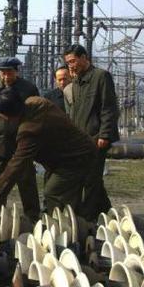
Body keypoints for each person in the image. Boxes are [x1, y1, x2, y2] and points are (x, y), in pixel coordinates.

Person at [0, 89, 98, 216]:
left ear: (10, 115)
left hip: (76, 159)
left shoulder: (29, 130)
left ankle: (62, 229)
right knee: (73, 196)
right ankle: (84, 223)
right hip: (77, 152)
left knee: (53, 192)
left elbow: (19, 161)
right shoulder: (35, 102)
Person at [63, 44, 120, 221]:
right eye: (68, 63)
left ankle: (86, 218)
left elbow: (108, 108)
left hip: (96, 138)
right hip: (80, 139)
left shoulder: (101, 77)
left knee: (91, 179)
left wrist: (104, 134)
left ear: (84, 57)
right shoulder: (77, 82)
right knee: (90, 178)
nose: (71, 66)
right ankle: (108, 213)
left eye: (73, 61)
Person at [0, 57, 40, 222]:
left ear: (17, 71)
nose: (6, 76)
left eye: (9, 72)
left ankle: (32, 216)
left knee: (26, 181)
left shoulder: (28, 89)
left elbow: (34, 113)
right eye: (3, 72)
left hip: (21, 142)